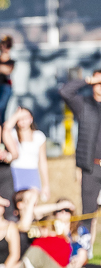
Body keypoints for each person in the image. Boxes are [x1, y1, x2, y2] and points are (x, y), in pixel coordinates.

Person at [59, 69, 101, 232]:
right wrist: (87, 80)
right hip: (91, 167)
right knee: (88, 213)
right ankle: (85, 251)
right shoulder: (84, 104)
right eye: (97, 83)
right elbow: (65, 91)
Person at [6, 107, 49, 199]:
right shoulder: (12, 135)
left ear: (31, 119)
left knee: (32, 201)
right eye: (20, 119)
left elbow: (42, 161)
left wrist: (45, 184)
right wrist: (16, 115)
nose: (23, 121)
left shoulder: (39, 136)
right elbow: (6, 128)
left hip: (32, 173)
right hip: (15, 172)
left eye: (26, 117)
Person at [0, 35, 15, 121]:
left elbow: (7, 70)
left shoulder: (11, 61)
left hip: (5, 87)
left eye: (7, 45)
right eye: (3, 44)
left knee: (1, 109)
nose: (4, 47)